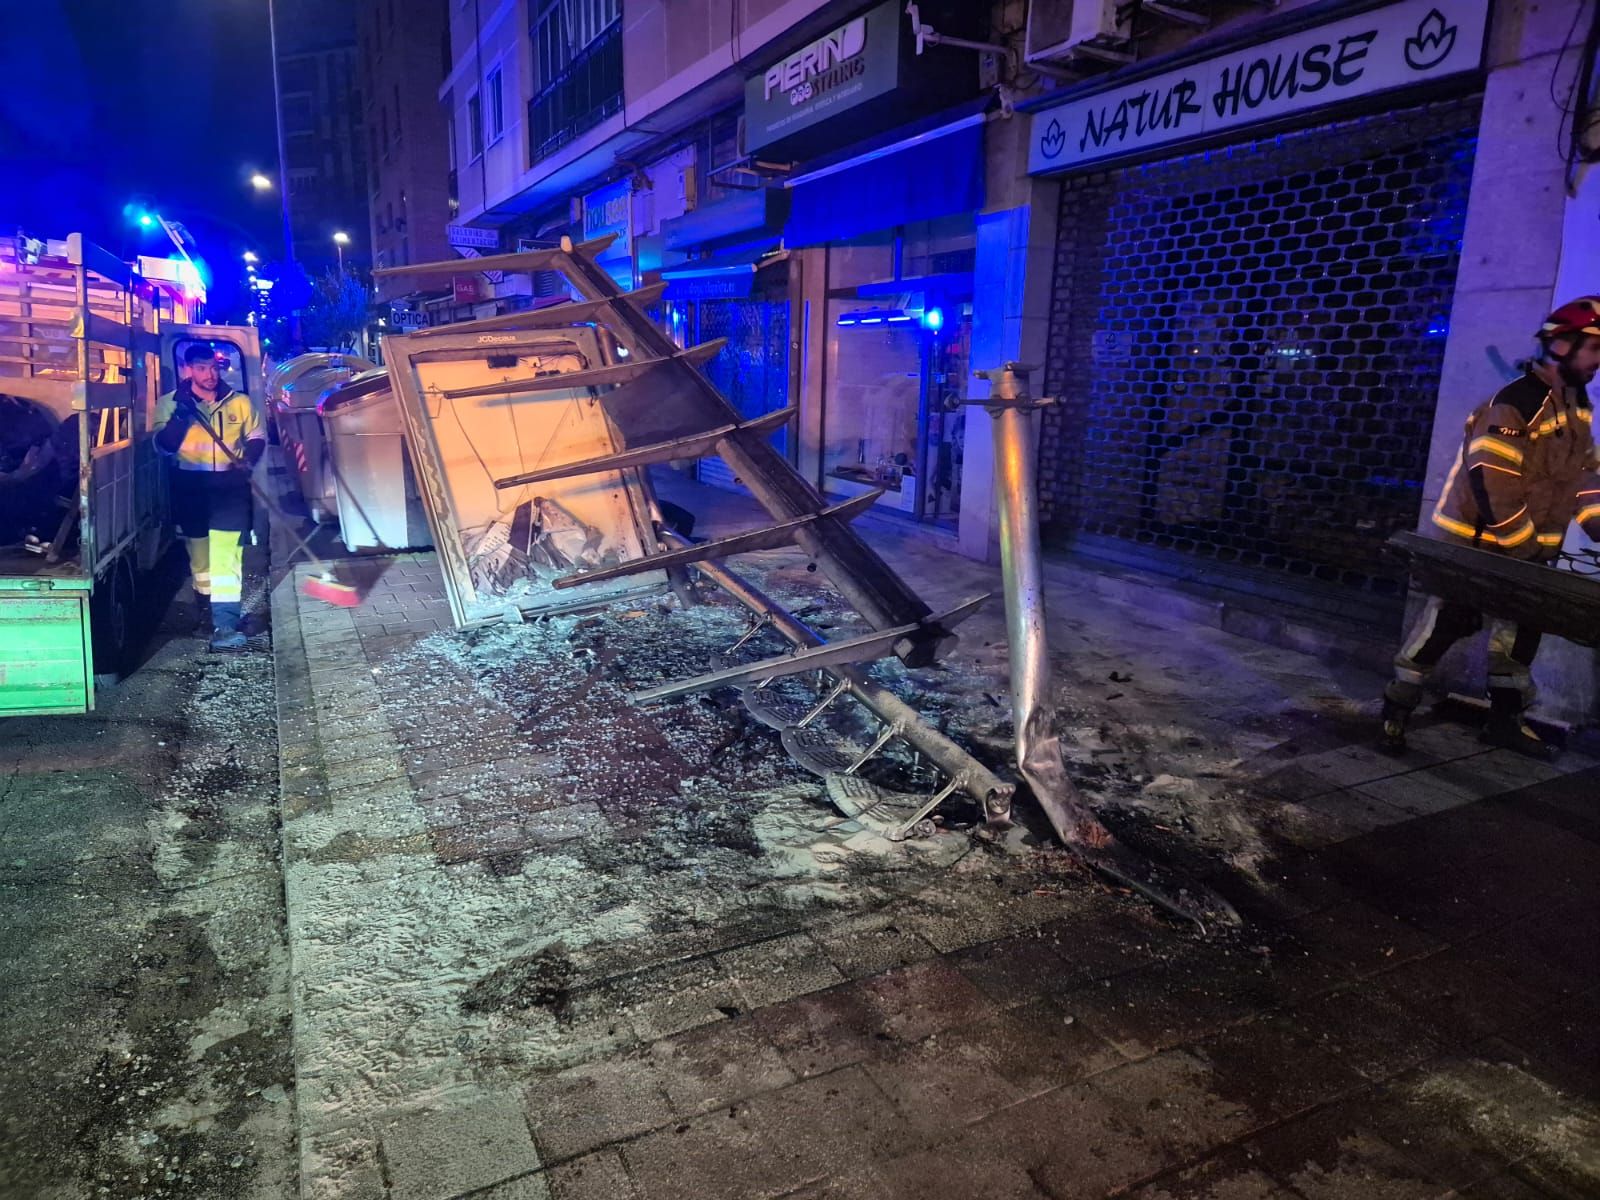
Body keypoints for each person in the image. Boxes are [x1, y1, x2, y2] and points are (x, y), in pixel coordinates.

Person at [1382, 297, 1600, 758]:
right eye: (1595, 349)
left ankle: (1503, 723)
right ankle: (1396, 708)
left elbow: (1585, 477)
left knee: (1519, 637)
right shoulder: (1516, 402)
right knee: (1445, 624)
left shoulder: (1579, 407)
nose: (1599, 362)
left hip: (1525, 553)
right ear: (1562, 344)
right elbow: (1494, 487)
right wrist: (1526, 553)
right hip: (1474, 548)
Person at [154, 343, 266, 650]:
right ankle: (206, 617)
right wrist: (181, 417)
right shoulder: (169, 404)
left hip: (230, 488)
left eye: (214, 367)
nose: (210, 374)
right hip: (191, 489)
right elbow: (163, 447)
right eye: (202, 368)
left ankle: (225, 625)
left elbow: (257, 437)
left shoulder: (240, 402)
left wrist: (249, 460)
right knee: (201, 561)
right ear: (188, 370)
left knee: (227, 558)